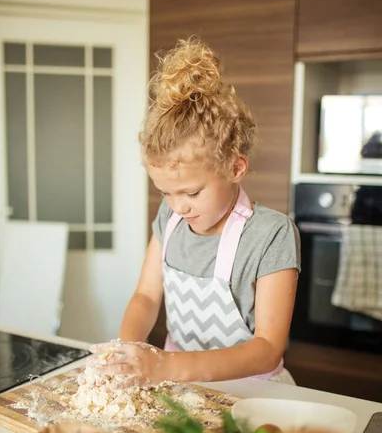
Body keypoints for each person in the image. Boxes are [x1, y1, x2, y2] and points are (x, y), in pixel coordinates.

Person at [91, 37, 301, 387]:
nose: (178, 206)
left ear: (235, 168)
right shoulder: (170, 217)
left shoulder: (271, 234)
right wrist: (125, 353)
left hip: (253, 390)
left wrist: (166, 366)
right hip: (179, 385)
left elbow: (267, 347)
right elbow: (145, 296)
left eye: (191, 192)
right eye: (166, 193)